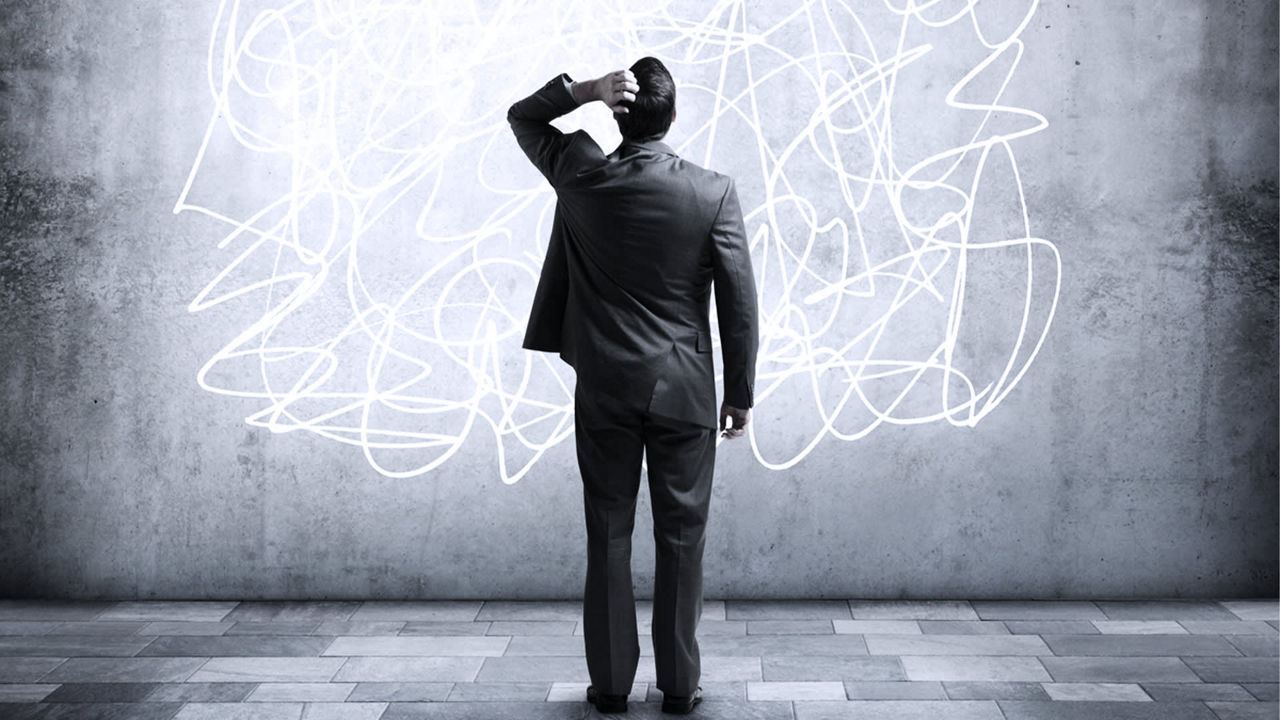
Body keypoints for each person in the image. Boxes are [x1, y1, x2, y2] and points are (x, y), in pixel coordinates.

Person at [508, 56, 759, 715]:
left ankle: (612, 687)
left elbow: (523, 116)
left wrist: (583, 91)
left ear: (620, 115)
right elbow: (739, 304)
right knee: (682, 537)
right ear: (672, 118)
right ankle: (679, 687)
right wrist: (740, 392)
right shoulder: (712, 191)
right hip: (684, 388)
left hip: (605, 387)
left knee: (609, 533)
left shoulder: (581, 176)